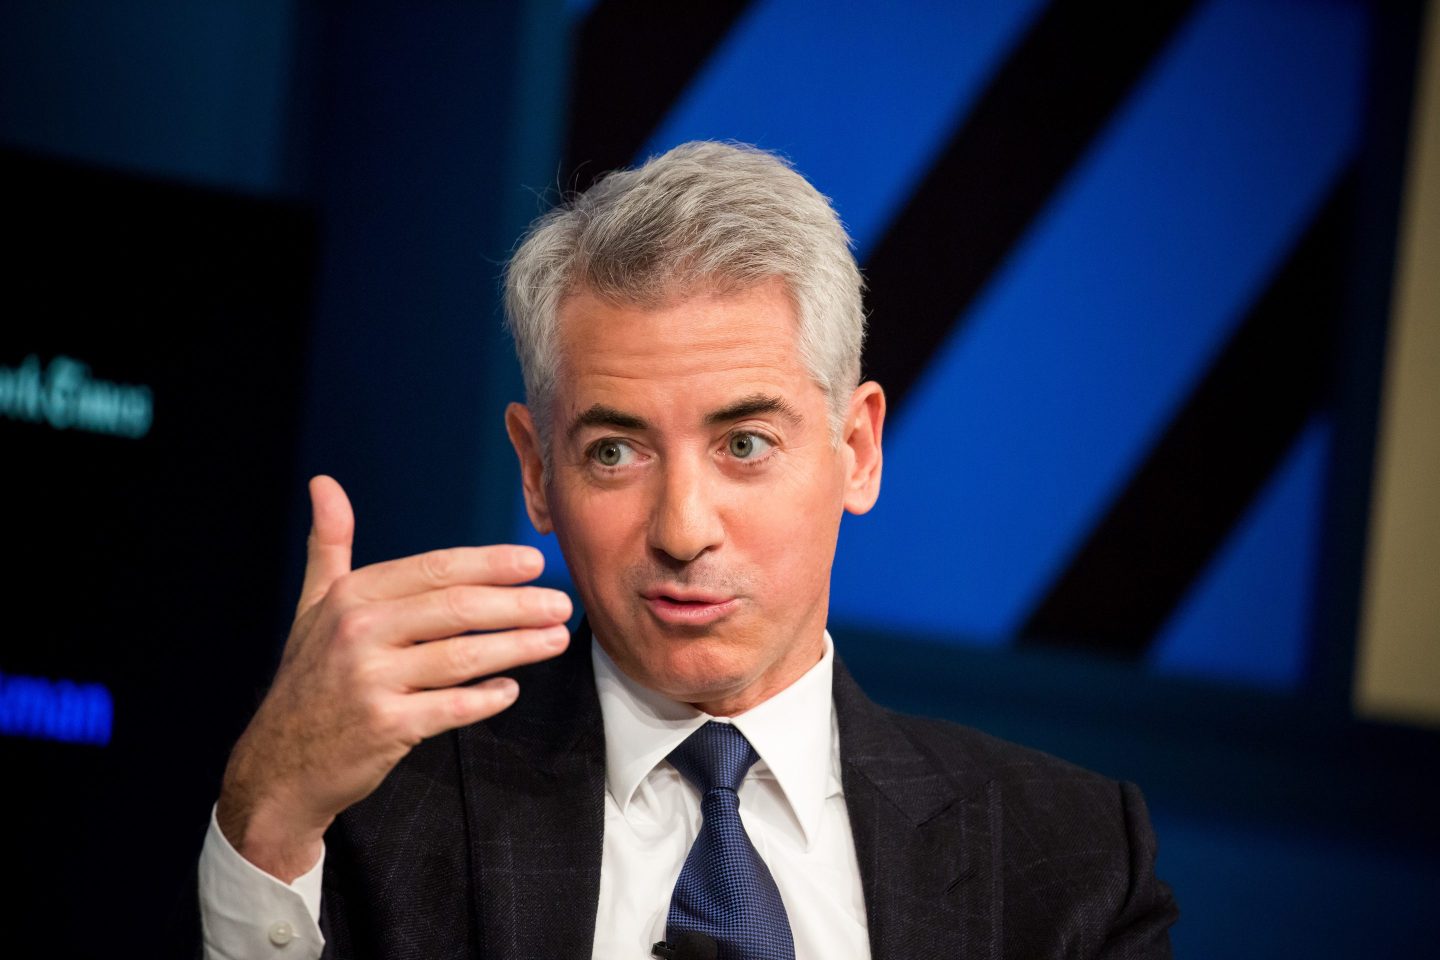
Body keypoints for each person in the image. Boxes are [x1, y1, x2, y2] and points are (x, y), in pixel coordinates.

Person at [199, 141, 1177, 959]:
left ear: (858, 451)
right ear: (537, 474)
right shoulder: (381, 818)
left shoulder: (1069, 860)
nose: (681, 529)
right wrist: (269, 822)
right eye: (615, 452)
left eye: (745, 444)